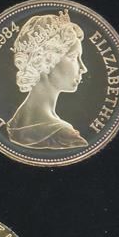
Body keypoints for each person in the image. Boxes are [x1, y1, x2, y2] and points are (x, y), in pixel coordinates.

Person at [6, 10, 89, 149]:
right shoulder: (65, 137)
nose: (83, 68)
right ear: (46, 60)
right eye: (74, 57)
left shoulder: (13, 124)